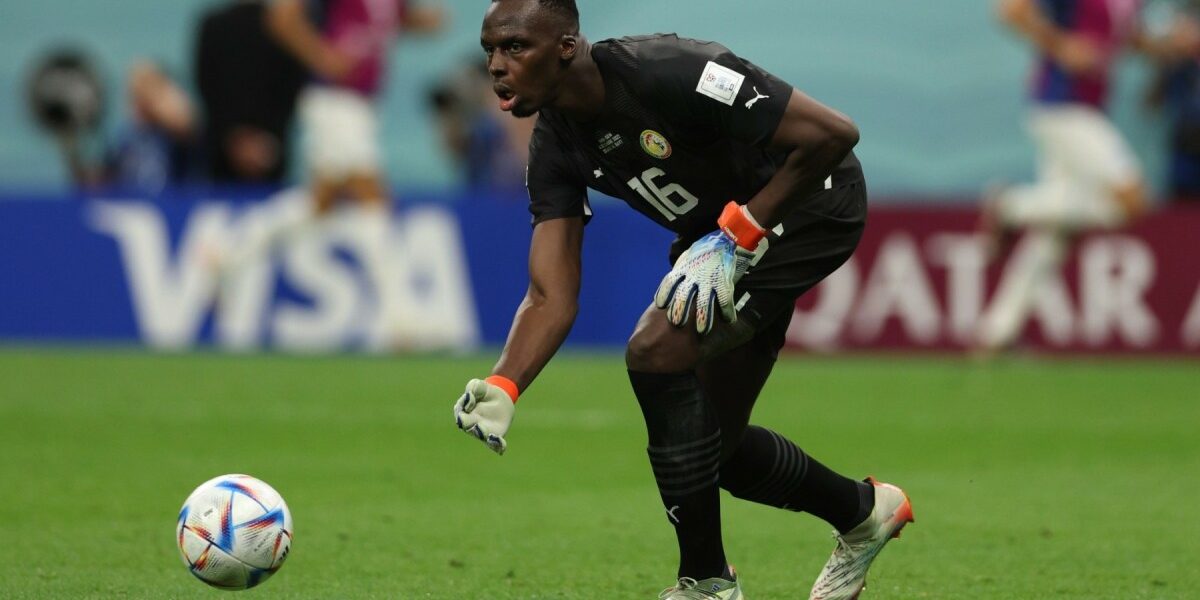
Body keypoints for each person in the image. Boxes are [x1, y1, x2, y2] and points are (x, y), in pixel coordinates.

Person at [451, 1, 913, 598]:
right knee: (710, 449)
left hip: (812, 204)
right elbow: (550, 293)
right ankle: (865, 513)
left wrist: (737, 233)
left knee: (655, 350)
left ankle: (706, 583)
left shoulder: (671, 69)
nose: (496, 64)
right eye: (490, 48)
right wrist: (505, 383)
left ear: (566, 45)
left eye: (515, 47)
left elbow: (833, 135)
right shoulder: (555, 148)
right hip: (724, 243)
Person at [978, 0, 1200, 351]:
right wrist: (1060, 44)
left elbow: (1126, 39)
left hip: (1087, 107)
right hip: (1061, 107)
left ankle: (996, 333)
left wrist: (1169, 47)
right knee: (1132, 199)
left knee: (1056, 234)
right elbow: (1011, 11)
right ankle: (1009, 205)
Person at [194, 0, 309, 184]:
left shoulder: (285, 27)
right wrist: (252, 141)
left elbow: (294, 87)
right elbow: (206, 84)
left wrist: (237, 139)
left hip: (260, 153)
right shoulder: (284, 27)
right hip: (235, 154)